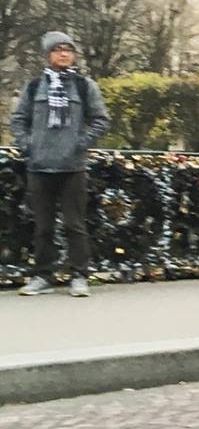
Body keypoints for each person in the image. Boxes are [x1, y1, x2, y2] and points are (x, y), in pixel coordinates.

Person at [10, 31, 110, 297]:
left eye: (68, 49)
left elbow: (101, 119)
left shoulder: (83, 85)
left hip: (73, 166)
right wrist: (27, 146)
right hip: (39, 166)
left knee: (74, 225)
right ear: (48, 55)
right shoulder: (34, 87)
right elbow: (18, 119)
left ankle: (79, 275)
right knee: (43, 226)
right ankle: (43, 276)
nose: (63, 53)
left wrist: (81, 143)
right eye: (57, 49)